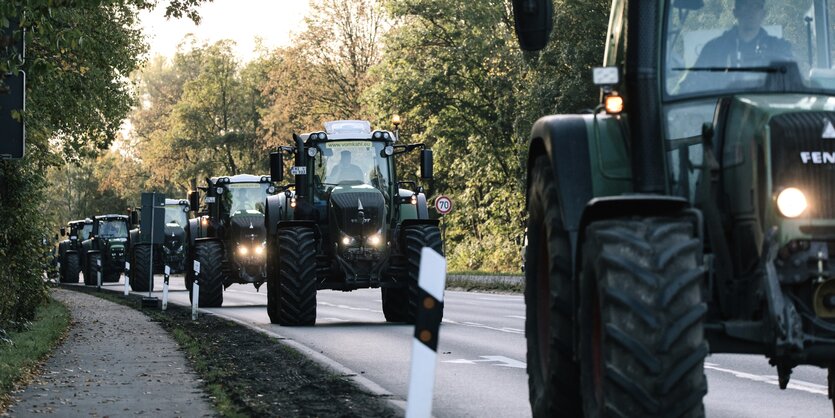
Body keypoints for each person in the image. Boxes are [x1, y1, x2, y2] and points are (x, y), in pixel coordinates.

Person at [679, 0, 793, 91]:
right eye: (745, 5)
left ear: (764, 13)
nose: (750, 11)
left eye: (756, 5)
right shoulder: (713, 50)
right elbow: (691, 86)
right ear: (735, 12)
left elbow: (792, 87)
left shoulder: (779, 49)